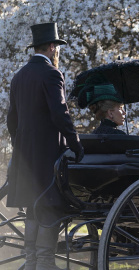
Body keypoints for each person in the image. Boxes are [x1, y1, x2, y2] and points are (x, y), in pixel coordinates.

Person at [7, 22, 84, 270]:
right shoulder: (52, 73)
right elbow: (60, 114)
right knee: (49, 205)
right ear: (52, 47)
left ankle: (32, 263)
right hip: (48, 155)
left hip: (25, 156)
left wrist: (22, 145)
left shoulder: (19, 76)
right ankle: (45, 263)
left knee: (32, 207)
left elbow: (12, 120)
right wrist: (76, 144)